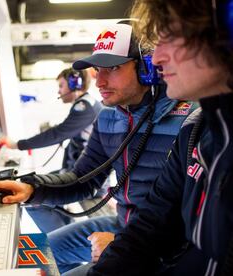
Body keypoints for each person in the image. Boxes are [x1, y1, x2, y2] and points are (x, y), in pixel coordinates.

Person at [0, 22, 198, 273]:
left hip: (163, 247)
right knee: (29, 255)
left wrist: (120, 246)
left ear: (147, 67)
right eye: (97, 70)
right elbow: (83, 179)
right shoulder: (108, 117)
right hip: (122, 224)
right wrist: (31, 188)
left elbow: (195, 223)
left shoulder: (188, 120)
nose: (99, 82)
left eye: (113, 68)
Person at [77, 0, 233, 275]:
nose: (157, 58)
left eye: (169, 38)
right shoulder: (196, 130)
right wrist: (33, 188)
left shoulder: (189, 120)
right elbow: (151, 224)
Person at [0, 68, 102, 173]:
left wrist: (16, 145)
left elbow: (57, 134)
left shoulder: (84, 107)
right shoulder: (88, 103)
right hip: (81, 168)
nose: (59, 91)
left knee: (36, 184)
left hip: (89, 175)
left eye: (61, 86)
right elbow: (66, 128)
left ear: (74, 84)